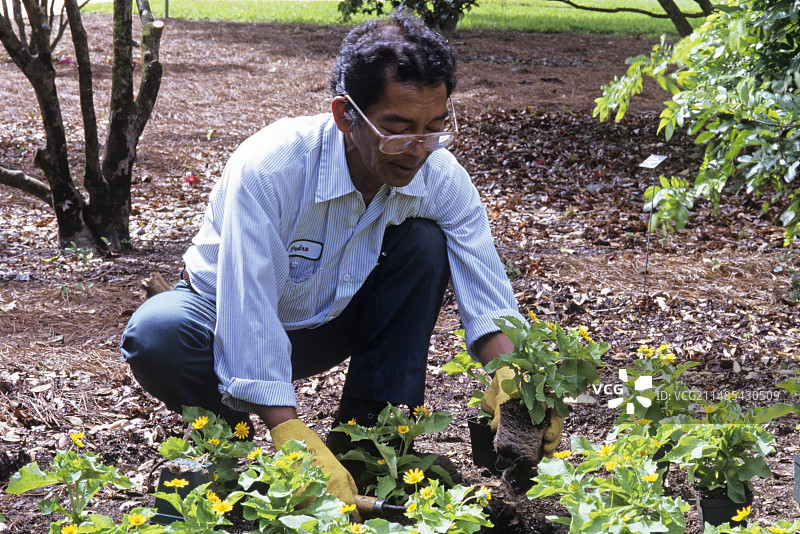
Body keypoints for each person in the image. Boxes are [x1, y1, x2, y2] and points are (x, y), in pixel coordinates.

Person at [120, 11, 561, 511]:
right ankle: (231, 456)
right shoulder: (272, 167)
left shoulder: (440, 176)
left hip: (329, 322)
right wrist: (290, 433)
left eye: (434, 128)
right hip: (221, 320)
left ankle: (370, 451)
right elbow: (249, 313)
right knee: (157, 334)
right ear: (345, 115)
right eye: (398, 129)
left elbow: (487, 294)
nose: (418, 150)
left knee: (423, 244)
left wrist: (515, 378)